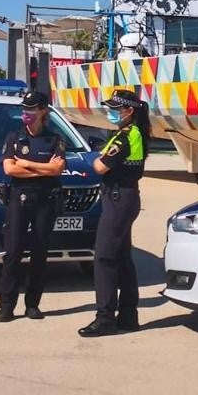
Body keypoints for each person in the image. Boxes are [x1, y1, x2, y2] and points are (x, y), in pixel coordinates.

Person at [78, 89, 148, 337]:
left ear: (129, 111)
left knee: (105, 258)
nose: (111, 112)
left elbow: (99, 165)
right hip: (124, 197)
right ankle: (128, 315)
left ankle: (105, 317)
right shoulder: (130, 133)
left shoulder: (126, 136)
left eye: (115, 109)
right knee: (122, 257)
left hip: (119, 198)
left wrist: (97, 158)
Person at [0, 91, 66, 323]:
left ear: (43, 111)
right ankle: (7, 306)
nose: (26, 113)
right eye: (24, 109)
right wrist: (42, 168)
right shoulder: (13, 137)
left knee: (39, 254)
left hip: (45, 201)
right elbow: (9, 169)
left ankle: (33, 304)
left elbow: (58, 170)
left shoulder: (55, 139)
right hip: (19, 199)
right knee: (13, 252)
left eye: (32, 109)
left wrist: (26, 163)